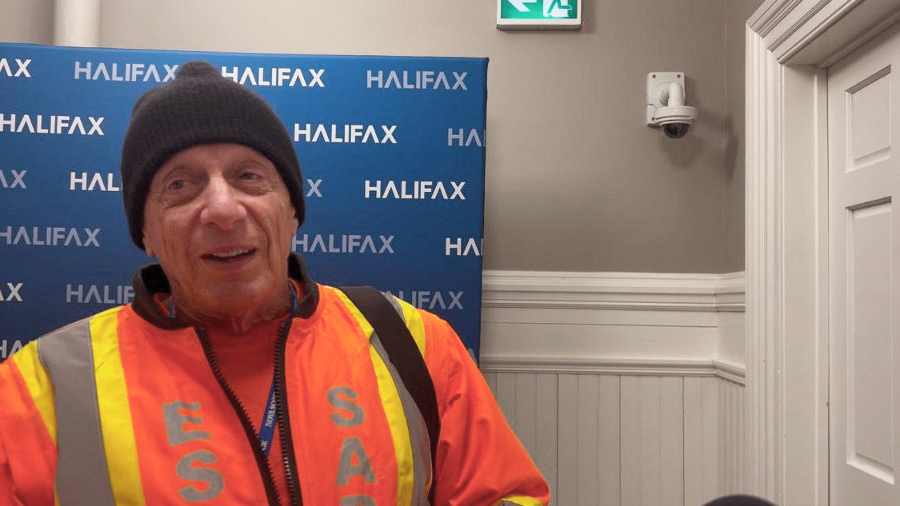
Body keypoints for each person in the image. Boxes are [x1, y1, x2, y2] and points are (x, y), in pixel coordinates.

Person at [0, 61, 550, 505]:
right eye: (180, 185)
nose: (221, 208)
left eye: (249, 176)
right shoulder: (38, 389)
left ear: (291, 211)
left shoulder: (416, 346)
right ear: (144, 232)